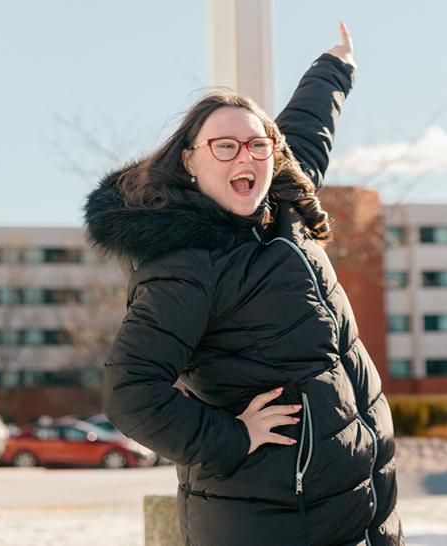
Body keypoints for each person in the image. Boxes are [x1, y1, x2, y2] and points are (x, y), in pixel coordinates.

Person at [85, 22, 402, 546]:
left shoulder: (283, 211)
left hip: (355, 506)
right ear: (190, 160)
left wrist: (335, 65)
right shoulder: (185, 264)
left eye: (257, 145)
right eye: (225, 146)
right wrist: (232, 436)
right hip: (269, 519)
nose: (245, 157)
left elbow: (307, 127)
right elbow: (130, 391)